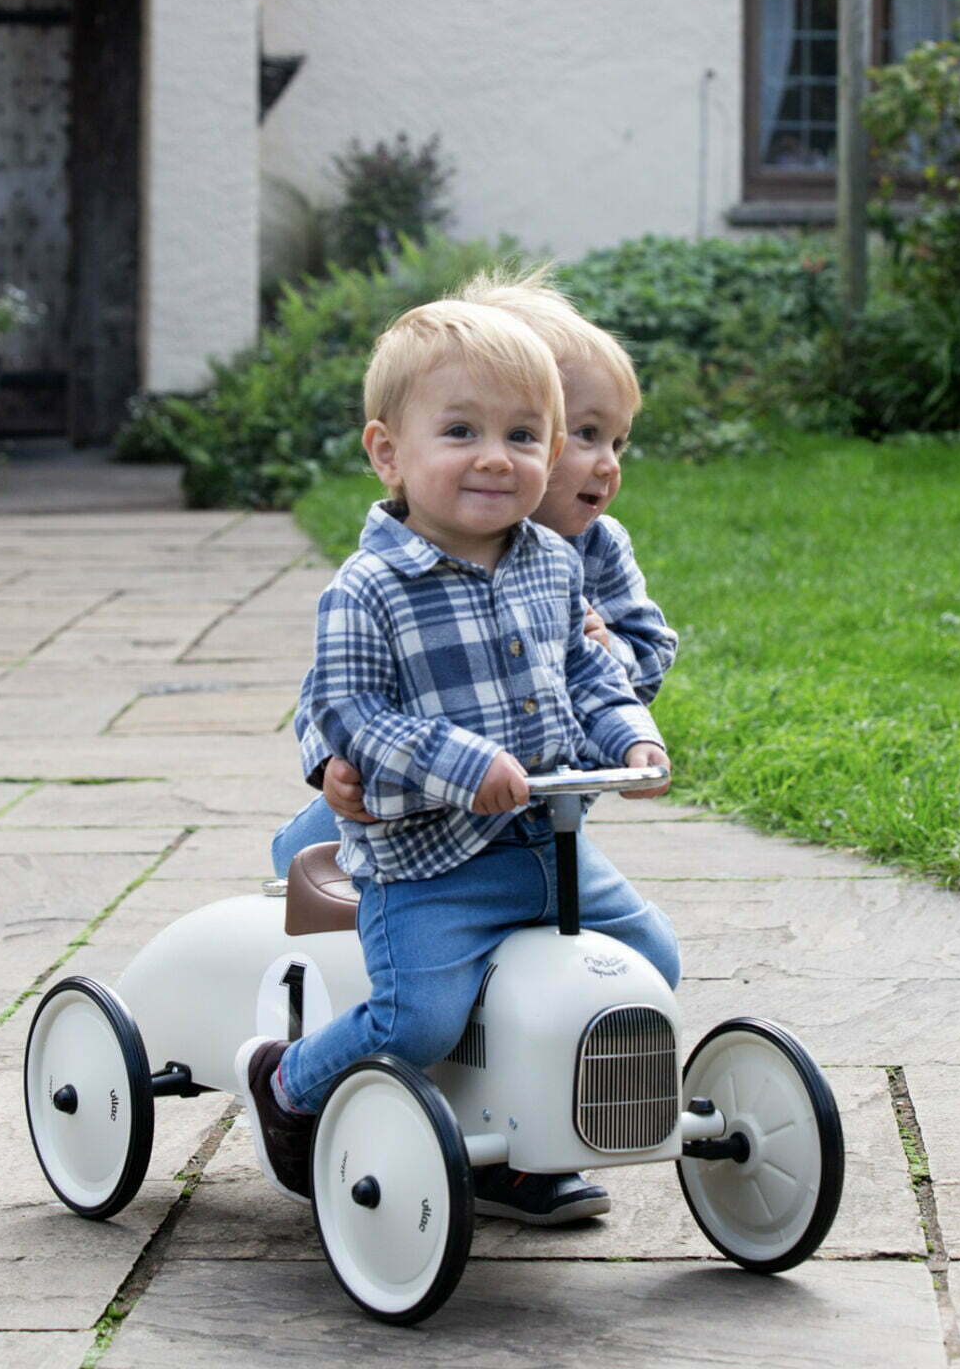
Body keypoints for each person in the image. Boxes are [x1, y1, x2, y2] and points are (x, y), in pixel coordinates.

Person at [238, 300, 680, 1226]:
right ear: (389, 453)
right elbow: (346, 707)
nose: (495, 456)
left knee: (650, 961)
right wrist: (452, 760)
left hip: (544, 846)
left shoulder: (552, 567)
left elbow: (592, 675)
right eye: (462, 433)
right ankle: (291, 1080)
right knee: (419, 1020)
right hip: (431, 864)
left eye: (524, 436)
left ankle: (533, 1131)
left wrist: (631, 736)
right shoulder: (367, 589)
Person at [272, 265, 676, 887]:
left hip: (526, 799)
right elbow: (335, 684)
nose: (607, 464)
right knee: (308, 861)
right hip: (418, 802)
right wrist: (329, 760)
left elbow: (648, 651)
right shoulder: (403, 562)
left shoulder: (594, 550)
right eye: (588, 436)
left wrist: (603, 653)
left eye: (617, 441)